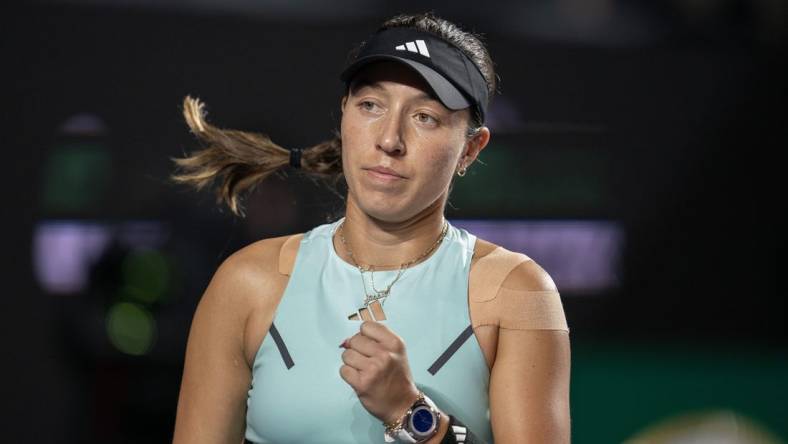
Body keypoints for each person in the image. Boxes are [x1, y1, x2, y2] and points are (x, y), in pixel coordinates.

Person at [171, 12, 571, 444]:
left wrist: (412, 414)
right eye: (370, 106)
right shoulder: (246, 283)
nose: (389, 139)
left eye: (425, 117)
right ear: (343, 115)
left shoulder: (518, 292)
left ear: (470, 149)